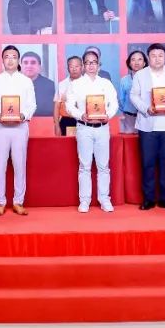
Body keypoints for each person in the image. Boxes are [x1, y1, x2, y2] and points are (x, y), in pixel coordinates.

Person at [130, 43, 165, 210]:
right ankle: (148, 199)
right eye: (153, 56)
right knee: (148, 163)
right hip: (147, 126)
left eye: (160, 55)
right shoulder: (140, 75)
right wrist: (146, 108)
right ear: (148, 58)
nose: (157, 59)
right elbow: (134, 95)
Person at [0, 45, 37, 216]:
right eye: (7, 56)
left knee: (19, 165)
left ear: (18, 60)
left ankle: (18, 201)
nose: (10, 60)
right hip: (0, 127)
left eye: (14, 57)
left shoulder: (26, 81)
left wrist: (23, 115)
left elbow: (32, 104)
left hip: (20, 127)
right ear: (2, 60)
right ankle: (0, 202)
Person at [65, 50, 119, 212]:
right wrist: (80, 114)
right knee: (84, 165)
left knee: (103, 166)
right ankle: (84, 200)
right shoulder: (76, 84)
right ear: (83, 65)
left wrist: (108, 115)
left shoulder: (106, 84)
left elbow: (114, 104)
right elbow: (69, 106)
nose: (91, 65)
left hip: (102, 128)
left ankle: (104, 199)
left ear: (98, 65)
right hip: (84, 128)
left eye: (94, 62)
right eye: (87, 62)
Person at [118, 50, 147, 134]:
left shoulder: (150, 80)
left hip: (146, 118)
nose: (136, 62)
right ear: (129, 63)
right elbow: (121, 100)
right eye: (133, 60)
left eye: (139, 59)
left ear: (144, 63)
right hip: (129, 118)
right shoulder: (124, 80)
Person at [55, 56, 84, 136]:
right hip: (66, 121)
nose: (74, 69)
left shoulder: (87, 84)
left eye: (77, 66)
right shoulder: (62, 84)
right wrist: (57, 126)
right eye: (71, 67)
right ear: (68, 68)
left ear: (82, 67)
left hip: (83, 120)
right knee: (66, 144)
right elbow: (56, 106)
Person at [20, 51, 55, 116]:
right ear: (20, 66)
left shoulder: (51, 86)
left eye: (33, 63)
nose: (29, 66)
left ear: (39, 67)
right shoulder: (13, 84)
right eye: (25, 63)